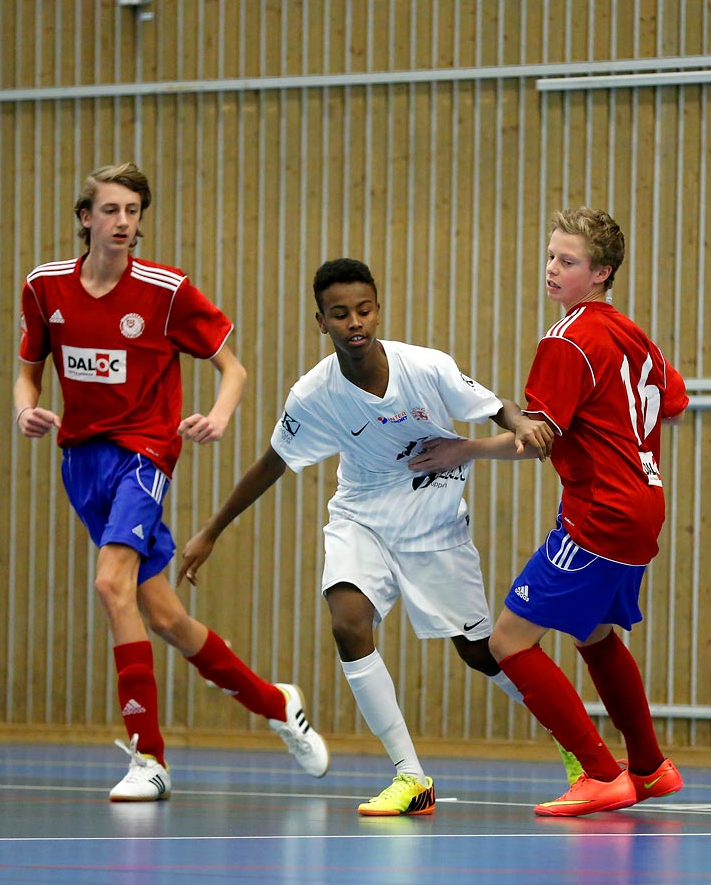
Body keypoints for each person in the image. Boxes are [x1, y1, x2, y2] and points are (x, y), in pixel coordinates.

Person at [178, 258, 561, 817]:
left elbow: (491, 405)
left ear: (377, 309)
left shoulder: (425, 367)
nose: (354, 322)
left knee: (482, 653)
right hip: (362, 517)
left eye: (363, 310)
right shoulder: (313, 395)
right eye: (340, 314)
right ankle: (410, 777)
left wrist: (518, 423)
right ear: (321, 322)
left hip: (433, 519)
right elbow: (272, 464)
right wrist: (211, 532)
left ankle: (577, 748)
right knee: (348, 622)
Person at [13, 162, 329, 802]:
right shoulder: (45, 288)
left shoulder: (165, 290)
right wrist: (25, 408)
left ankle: (148, 757)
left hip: (145, 455)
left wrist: (216, 416)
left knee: (110, 583)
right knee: (163, 615)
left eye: (133, 211)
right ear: (85, 218)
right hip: (82, 463)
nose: (124, 222)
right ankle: (275, 700)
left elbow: (232, 369)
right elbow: (27, 370)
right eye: (111, 210)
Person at [432, 207, 689, 817]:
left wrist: (460, 448)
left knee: (509, 641)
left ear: (601, 272)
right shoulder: (630, 332)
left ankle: (601, 773)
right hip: (642, 503)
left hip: (599, 511)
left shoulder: (567, 339)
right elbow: (673, 405)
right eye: (550, 255)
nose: (552, 268)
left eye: (567, 261)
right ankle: (649, 767)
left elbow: (533, 439)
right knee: (595, 634)